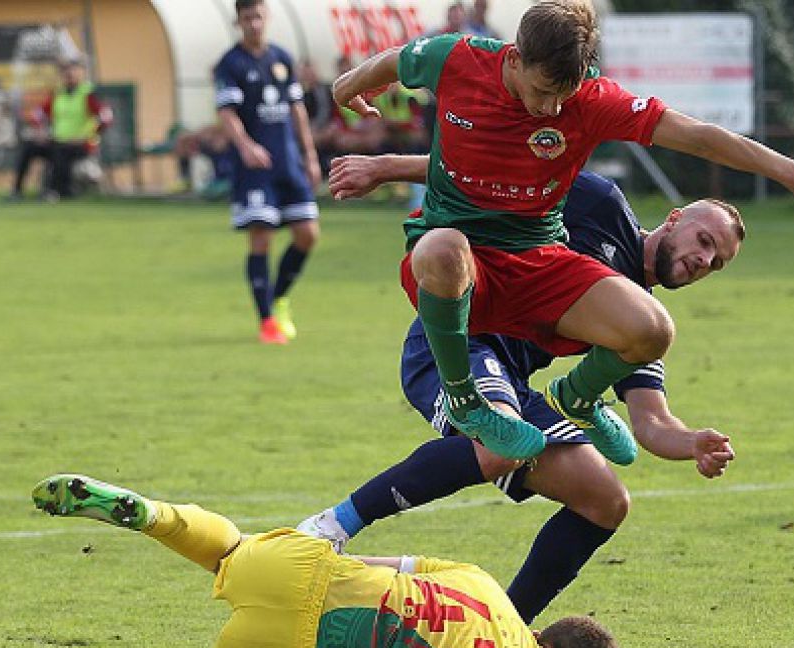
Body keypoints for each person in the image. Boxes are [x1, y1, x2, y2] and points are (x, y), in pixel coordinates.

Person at [331, 0, 794, 464]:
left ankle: (578, 398)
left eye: (564, 96)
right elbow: (398, 62)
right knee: (443, 246)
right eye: (543, 92)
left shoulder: (590, 101)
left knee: (653, 328)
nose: (551, 109)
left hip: (537, 258)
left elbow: (698, 135)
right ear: (514, 58)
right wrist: (349, 86)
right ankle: (466, 401)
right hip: (462, 261)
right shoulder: (456, 57)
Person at [300, 153, 737, 623]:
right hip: (454, 342)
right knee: (501, 445)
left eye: (717, 262)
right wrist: (384, 168)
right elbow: (492, 169)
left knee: (605, 501)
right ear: (674, 220)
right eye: (705, 241)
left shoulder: (636, 323)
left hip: (512, 381)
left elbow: (652, 422)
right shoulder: (600, 203)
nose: (704, 260)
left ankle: (505, 632)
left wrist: (692, 442)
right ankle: (328, 528)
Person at [12, 474, 617, 648]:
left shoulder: (483, 583)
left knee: (232, 547)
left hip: (309, 571)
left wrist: (311, 562)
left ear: (542, 631)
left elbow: (389, 566)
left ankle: (147, 513)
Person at [215, 0, 322, 345]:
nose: (254, 23)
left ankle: (278, 298)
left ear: (267, 18)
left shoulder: (280, 58)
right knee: (262, 237)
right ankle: (266, 322)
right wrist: (246, 145)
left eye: (258, 16)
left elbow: (297, 111)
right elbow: (227, 112)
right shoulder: (230, 64)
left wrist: (309, 156)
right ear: (238, 22)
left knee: (308, 234)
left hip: (288, 163)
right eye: (247, 18)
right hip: (255, 170)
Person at [36, 58, 112, 200]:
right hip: (58, 140)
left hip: (82, 144)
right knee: (31, 147)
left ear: (81, 72)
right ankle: (17, 191)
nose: (69, 73)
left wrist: (88, 136)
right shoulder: (58, 93)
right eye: (66, 70)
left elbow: (106, 117)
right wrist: (40, 132)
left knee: (61, 151)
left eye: (73, 69)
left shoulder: (89, 93)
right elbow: (38, 114)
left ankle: (56, 191)